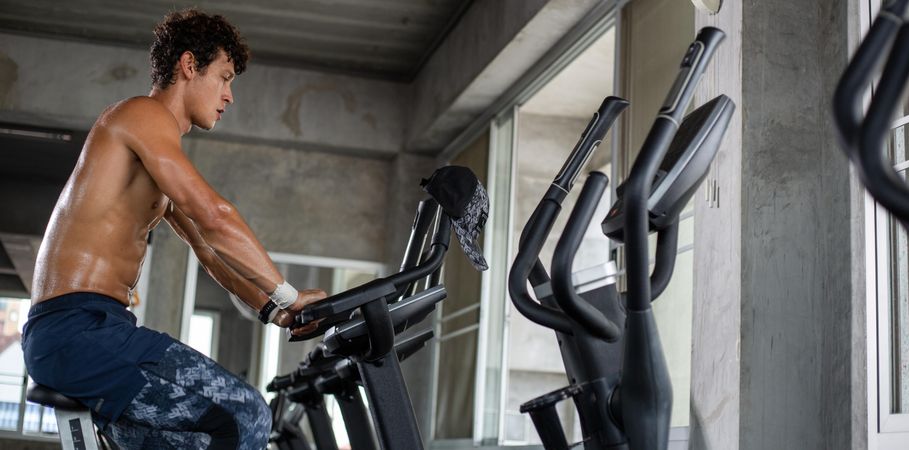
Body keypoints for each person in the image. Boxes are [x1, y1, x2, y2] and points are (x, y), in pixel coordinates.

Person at [21, 9, 326, 449]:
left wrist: (276, 311)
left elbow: (210, 251)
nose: (229, 96)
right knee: (248, 416)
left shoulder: (156, 153)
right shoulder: (141, 115)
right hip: (80, 331)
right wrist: (289, 294)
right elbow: (214, 217)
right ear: (188, 66)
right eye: (224, 77)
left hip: (87, 332)